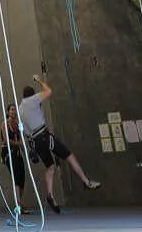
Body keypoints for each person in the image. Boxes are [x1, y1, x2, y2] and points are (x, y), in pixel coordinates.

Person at [14, 75, 99, 212]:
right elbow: (48, 91)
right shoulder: (32, 100)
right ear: (32, 95)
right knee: (69, 156)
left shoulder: (20, 109)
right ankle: (86, 181)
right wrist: (39, 80)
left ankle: (50, 195)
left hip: (36, 141)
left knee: (50, 167)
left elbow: (25, 130)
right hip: (44, 136)